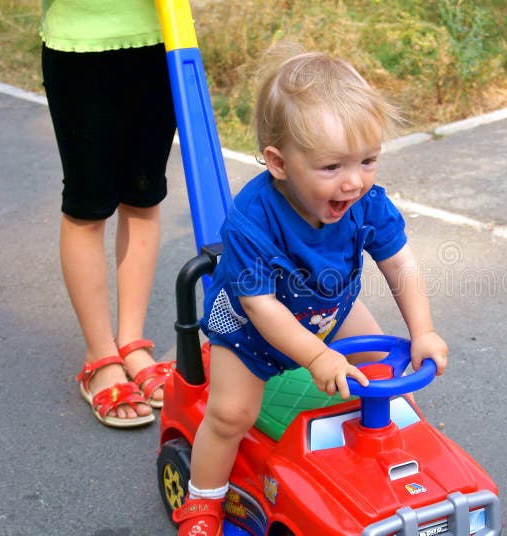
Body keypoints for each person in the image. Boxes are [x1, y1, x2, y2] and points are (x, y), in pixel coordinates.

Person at [171, 48, 449, 533]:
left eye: (368, 160)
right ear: (279, 163)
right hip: (250, 331)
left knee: (385, 377)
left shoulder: (366, 202)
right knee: (231, 414)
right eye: (331, 168)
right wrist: (318, 359)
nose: (354, 182)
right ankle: (203, 498)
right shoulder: (251, 220)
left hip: (331, 309)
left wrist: (422, 330)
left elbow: (399, 263)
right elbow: (261, 308)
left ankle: (386, 474)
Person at [40, 0, 176, 427]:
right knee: (88, 206)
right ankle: (99, 357)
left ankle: (132, 342)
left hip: (164, 37)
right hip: (80, 45)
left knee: (143, 197)